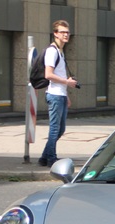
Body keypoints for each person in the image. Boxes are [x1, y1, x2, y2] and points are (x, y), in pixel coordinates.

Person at [38, 20, 78, 167]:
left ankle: (44, 157)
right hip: (54, 95)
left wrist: (66, 94)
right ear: (55, 34)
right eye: (62, 32)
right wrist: (67, 82)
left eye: (67, 32)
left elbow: (58, 75)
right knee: (55, 129)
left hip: (60, 95)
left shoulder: (60, 52)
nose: (66, 35)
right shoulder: (52, 51)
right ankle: (51, 159)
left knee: (60, 129)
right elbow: (48, 75)